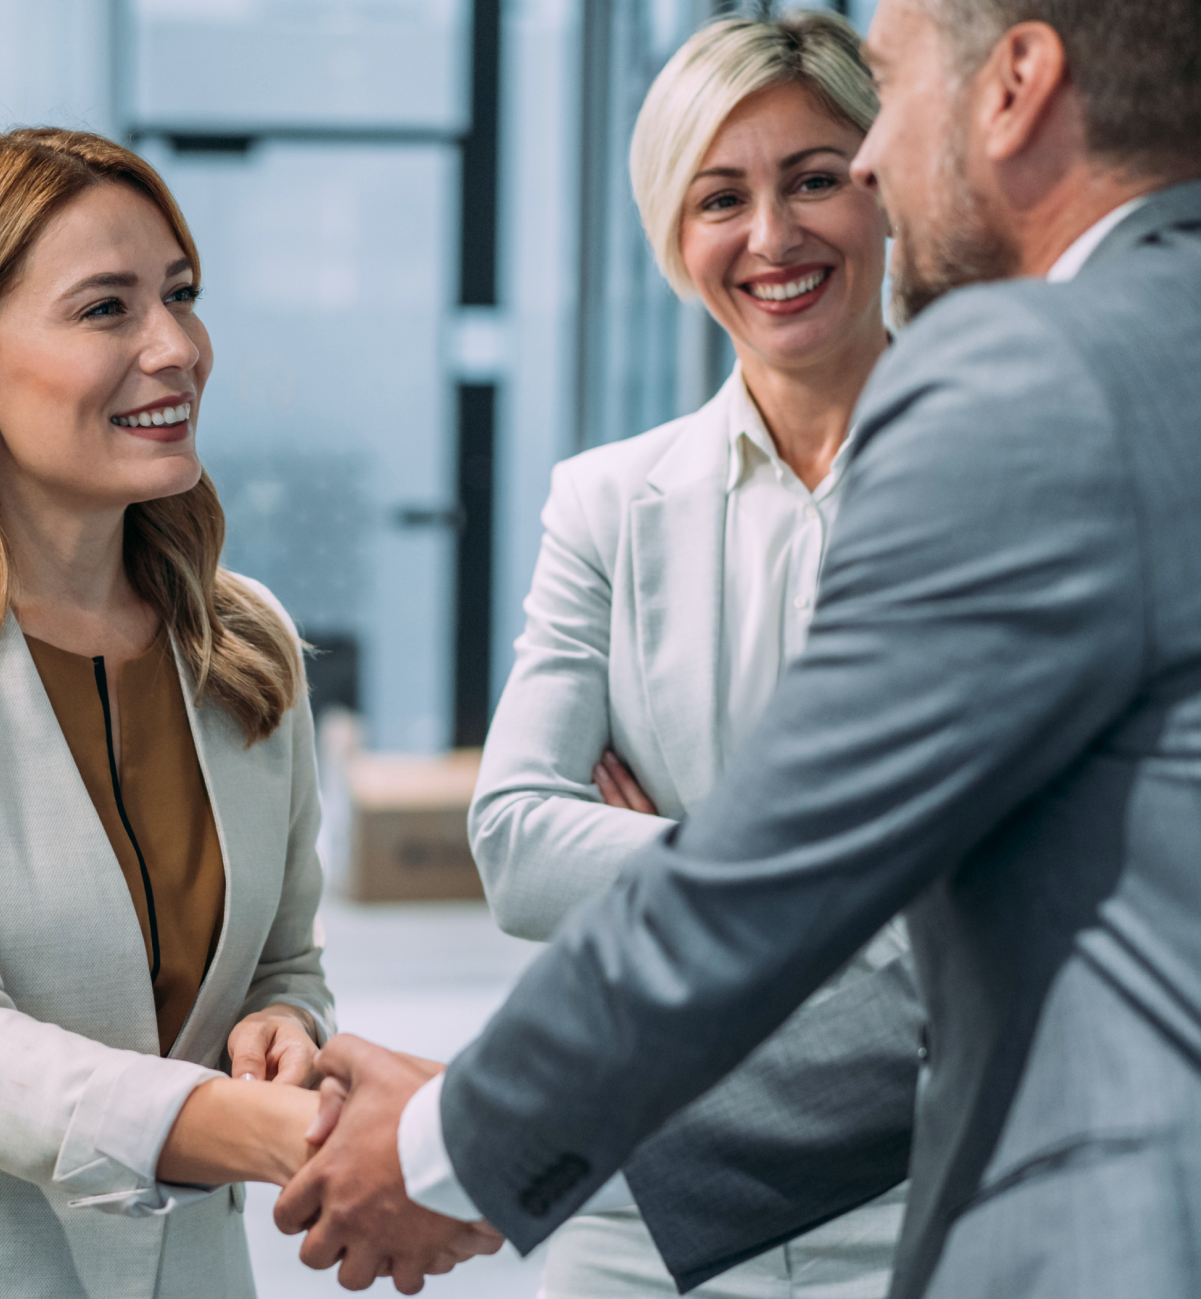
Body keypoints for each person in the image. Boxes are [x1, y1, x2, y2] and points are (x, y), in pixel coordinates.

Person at [280, 0, 1201, 1295]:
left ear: (1013, 85)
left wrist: (444, 1148)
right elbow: (940, 985)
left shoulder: (1038, 377)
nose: (881, 158)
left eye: (886, 96)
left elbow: (771, 879)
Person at [0, 128, 451, 1299]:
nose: (174, 349)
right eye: (104, 309)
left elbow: (286, 962)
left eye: (179, 295)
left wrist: (283, 1031)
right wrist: (289, 1137)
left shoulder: (243, 638)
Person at [467, 14, 920, 1297]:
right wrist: (842, 872)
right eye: (720, 197)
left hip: (908, 1176)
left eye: (813, 179)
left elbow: (980, 887)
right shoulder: (607, 502)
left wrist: (677, 852)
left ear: (883, 186)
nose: (770, 239)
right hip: (632, 1186)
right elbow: (511, 844)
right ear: (674, 233)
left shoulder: (993, 474)